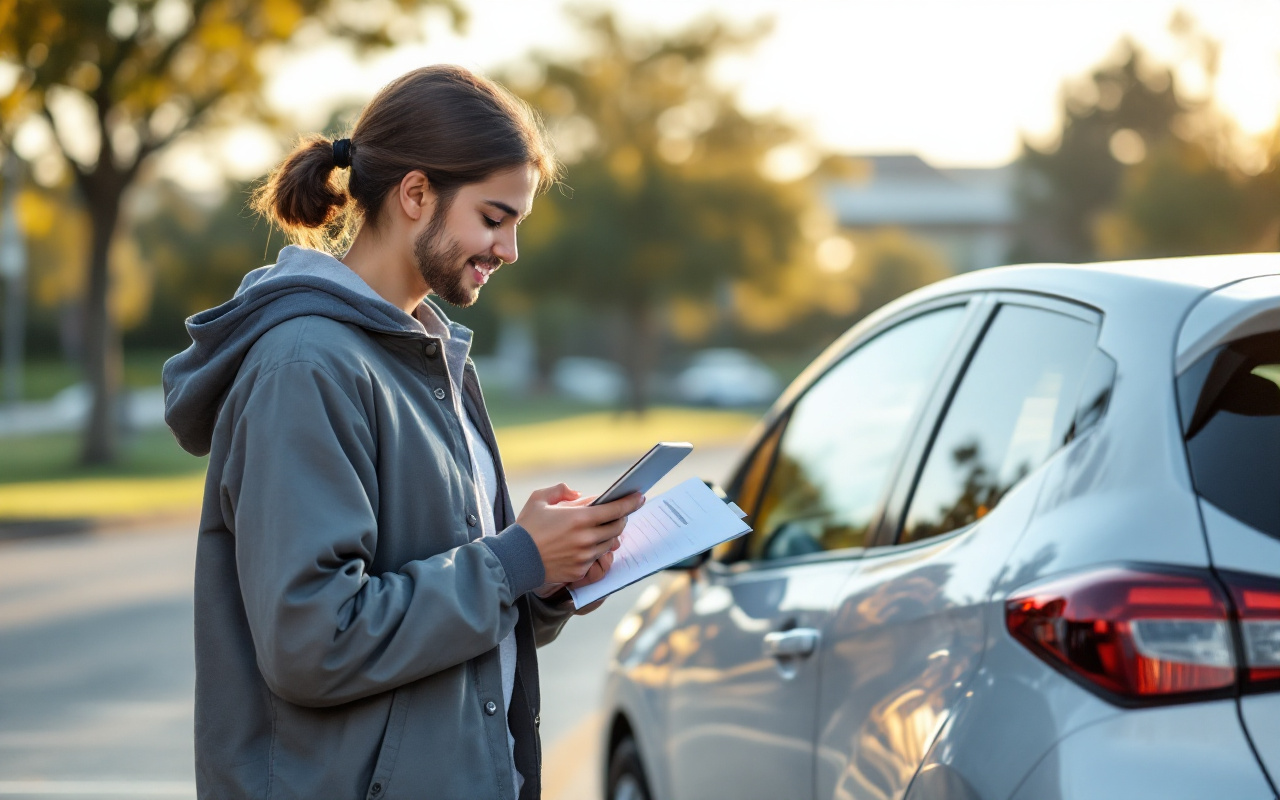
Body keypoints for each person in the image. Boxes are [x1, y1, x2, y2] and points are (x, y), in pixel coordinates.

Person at [162, 64, 641, 800]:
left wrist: (544, 579)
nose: (509, 250)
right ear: (415, 194)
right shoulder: (306, 368)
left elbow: (445, 625)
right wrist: (513, 560)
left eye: (516, 224)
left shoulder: (431, 357)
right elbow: (314, 643)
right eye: (494, 218)